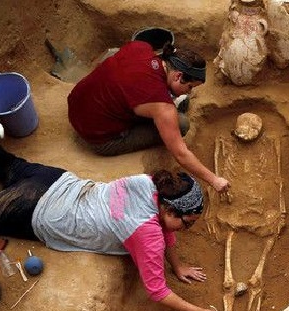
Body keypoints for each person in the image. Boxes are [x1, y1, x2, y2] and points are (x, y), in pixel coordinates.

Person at [0, 92, 230, 311]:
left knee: (1, 161)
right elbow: (157, 291)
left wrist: (178, 264)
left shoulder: (149, 183)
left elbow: (166, 231)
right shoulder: (145, 234)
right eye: (186, 223)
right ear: (169, 210)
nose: (184, 229)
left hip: (54, 179)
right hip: (36, 209)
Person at [67, 39, 230, 195]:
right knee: (180, 123)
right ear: (178, 76)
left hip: (76, 106)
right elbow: (180, 153)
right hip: (99, 137)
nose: (189, 92)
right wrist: (214, 180)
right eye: (189, 87)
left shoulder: (141, 47)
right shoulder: (162, 107)